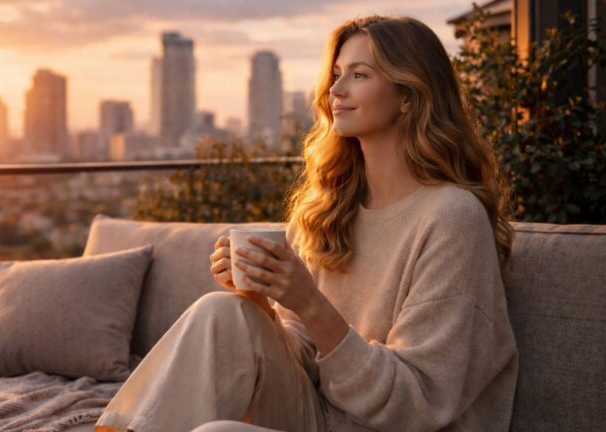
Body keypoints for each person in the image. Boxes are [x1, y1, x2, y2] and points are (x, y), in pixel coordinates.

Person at [95, 14, 518, 432]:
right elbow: (304, 364)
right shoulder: (330, 209)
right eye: (336, 74)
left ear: (408, 95)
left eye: (359, 74)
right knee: (223, 310)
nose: (335, 89)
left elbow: (416, 404)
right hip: (318, 418)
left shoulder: (452, 218)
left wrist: (310, 301)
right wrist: (260, 299)